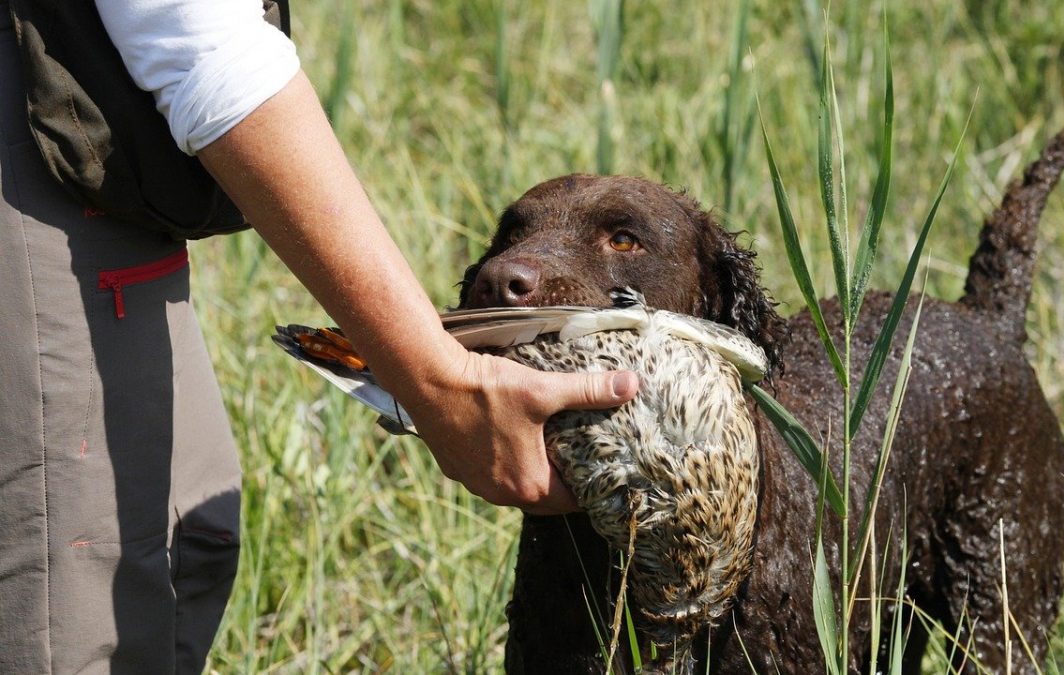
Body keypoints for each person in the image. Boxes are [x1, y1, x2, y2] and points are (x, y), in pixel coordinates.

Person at [0, 0, 638, 672]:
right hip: (41, 90)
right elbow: (201, 43)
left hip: (97, 104)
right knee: (74, 593)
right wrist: (436, 378)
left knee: (187, 541)